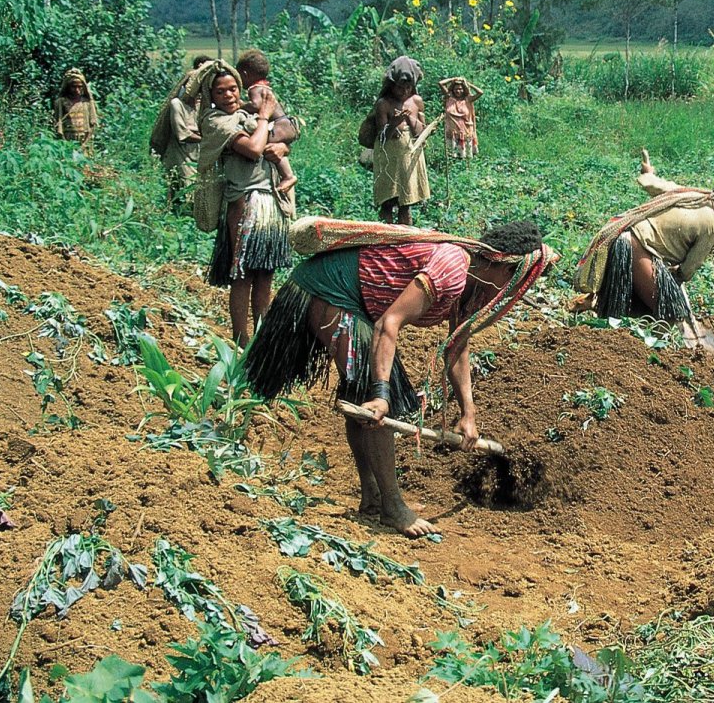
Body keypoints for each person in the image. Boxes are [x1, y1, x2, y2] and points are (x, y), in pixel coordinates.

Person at [244, 217, 557, 537]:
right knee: (377, 400)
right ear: (505, 269)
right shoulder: (451, 270)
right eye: (514, 281)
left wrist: (468, 414)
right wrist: (381, 393)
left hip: (357, 303)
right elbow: (389, 323)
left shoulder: (475, 285)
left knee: (362, 399)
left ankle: (373, 497)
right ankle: (392, 506)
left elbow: (457, 346)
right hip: (331, 291)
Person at [572, 149, 714, 355]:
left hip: (623, 240)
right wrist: (677, 275)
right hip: (636, 246)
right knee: (671, 311)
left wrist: (647, 171)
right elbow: (689, 269)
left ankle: (592, 307)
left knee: (631, 304)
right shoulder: (711, 224)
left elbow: (656, 185)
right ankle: (648, 354)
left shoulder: (692, 195)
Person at [194, 60, 292, 344]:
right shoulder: (215, 122)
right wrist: (264, 116)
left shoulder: (244, 116)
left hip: (270, 201)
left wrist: (283, 143)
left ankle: (262, 338)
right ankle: (240, 339)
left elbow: (285, 132)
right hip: (244, 203)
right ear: (210, 96)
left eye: (233, 89)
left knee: (265, 274)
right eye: (220, 91)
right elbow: (252, 149)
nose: (228, 95)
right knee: (243, 274)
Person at [359, 56, 429, 225]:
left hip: (408, 155)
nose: (404, 91)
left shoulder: (416, 102)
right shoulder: (384, 104)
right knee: (388, 201)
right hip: (388, 156)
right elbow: (383, 137)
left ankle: (404, 239)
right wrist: (393, 124)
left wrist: (411, 120)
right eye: (400, 88)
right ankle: (386, 239)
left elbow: (422, 132)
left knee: (406, 202)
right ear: (392, 86)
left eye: (408, 87)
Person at [150, 55, 213, 212]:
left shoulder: (202, 107)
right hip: (179, 154)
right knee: (185, 192)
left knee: (195, 190)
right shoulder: (177, 105)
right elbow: (183, 135)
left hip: (196, 154)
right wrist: (208, 139)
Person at [235, 49, 298, 196]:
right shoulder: (265, 86)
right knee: (274, 148)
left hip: (279, 126)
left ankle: (288, 176)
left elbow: (257, 106)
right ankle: (288, 176)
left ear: (245, 74)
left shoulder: (254, 89)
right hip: (286, 124)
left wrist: (241, 106)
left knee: (262, 143)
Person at [438, 76, 482, 158]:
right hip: (452, 132)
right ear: (453, 90)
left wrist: (468, 84)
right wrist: (453, 79)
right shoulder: (449, 97)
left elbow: (480, 92)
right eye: (456, 89)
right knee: (452, 155)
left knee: (466, 156)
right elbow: (440, 83)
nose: (458, 91)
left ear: (464, 89)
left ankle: (466, 170)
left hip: (465, 131)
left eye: (460, 89)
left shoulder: (468, 99)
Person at [54, 68, 99, 147]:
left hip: (84, 140)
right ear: (68, 87)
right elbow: (58, 122)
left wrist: (85, 143)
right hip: (67, 140)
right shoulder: (61, 102)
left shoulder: (87, 103)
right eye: (73, 87)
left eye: (80, 87)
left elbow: (93, 124)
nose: (77, 90)